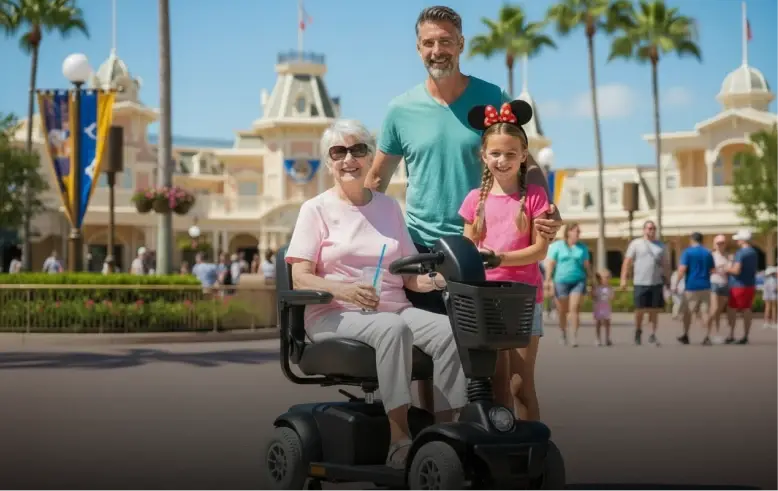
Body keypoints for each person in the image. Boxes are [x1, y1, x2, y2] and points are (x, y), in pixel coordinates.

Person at [366, 5, 562, 409]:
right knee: (429, 363)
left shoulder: (491, 98)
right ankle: (434, 451)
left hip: (483, 253)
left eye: (445, 41)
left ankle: (497, 451)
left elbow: (528, 163)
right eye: (429, 43)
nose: (438, 50)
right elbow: (376, 182)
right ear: (418, 48)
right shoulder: (400, 110)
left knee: (494, 372)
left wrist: (547, 209)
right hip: (423, 249)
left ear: (461, 44)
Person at [285, 119, 467, 469]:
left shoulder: (388, 207)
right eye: (338, 152)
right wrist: (344, 290)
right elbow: (300, 276)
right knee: (392, 329)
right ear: (329, 162)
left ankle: (444, 437)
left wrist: (434, 281)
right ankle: (398, 438)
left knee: (449, 331)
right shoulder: (315, 209)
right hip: (333, 313)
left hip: (393, 307)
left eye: (358, 149)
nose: (348, 158)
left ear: (369, 157)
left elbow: (408, 277)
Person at [458, 100, 549, 421]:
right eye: (495, 153)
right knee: (497, 384)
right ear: (483, 156)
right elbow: (467, 250)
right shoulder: (473, 201)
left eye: (511, 154)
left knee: (520, 384)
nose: (502, 160)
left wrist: (499, 258)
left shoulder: (535, 197)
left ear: (524, 156)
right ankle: (501, 446)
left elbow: (540, 250)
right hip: (486, 301)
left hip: (524, 300)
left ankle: (532, 452)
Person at [620, 220, 671, 346]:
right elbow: (627, 262)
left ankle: (652, 334)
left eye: (653, 228)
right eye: (649, 228)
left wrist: (668, 280)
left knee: (654, 310)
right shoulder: (636, 244)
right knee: (639, 310)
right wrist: (623, 279)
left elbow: (666, 264)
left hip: (656, 282)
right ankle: (638, 330)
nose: (651, 231)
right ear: (644, 230)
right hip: (640, 282)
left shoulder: (661, 246)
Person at [545, 223, 591, 347]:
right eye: (576, 231)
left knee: (574, 308)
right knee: (562, 311)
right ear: (568, 232)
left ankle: (574, 336)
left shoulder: (583, 248)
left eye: (579, 232)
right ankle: (563, 332)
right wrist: (548, 281)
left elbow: (587, 266)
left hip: (578, 281)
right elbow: (551, 264)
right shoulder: (557, 246)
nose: (578, 234)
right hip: (561, 281)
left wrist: (592, 280)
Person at [675, 232, 715, 345]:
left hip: (691, 286)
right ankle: (707, 336)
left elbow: (682, 269)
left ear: (692, 240)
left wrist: (676, 283)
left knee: (687, 312)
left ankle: (686, 334)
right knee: (705, 312)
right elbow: (712, 269)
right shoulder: (708, 253)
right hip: (706, 286)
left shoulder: (687, 252)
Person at [725, 229, 758, 344]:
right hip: (750, 284)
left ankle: (731, 334)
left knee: (732, 310)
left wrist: (726, 268)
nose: (737, 241)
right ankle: (745, 335)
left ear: (743, 240)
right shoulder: (753, 252)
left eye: (738, 239)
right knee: (747, 309)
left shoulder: (741, 253)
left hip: (738, 285)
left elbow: (736, 270)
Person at [709, 234, 731, 341]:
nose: (720, 245)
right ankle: (708, 329)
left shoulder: (729, 256)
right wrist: (719, 268)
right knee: (715, 308)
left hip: (725, 284)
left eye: (722, 243)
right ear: (714, 244)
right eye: (718, 243)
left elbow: (731, 269)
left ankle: (716, 333)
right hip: (714, 283)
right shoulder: (711, 256)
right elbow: (709, 270)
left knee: (719, 310)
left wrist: (726, 268)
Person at [592, 270, 614, 347]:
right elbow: (593, 297)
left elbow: (612, 297)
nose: (606, 279)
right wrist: (593, 290)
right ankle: (598, 338)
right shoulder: (597, 287)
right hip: (598, 307)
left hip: (606, 307)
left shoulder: (610, 288)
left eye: (608, 277)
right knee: (598, 323)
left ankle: (607, 338)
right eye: (604, 277)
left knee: (607, 323)